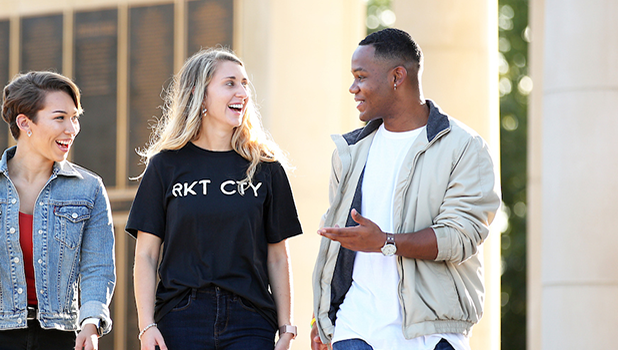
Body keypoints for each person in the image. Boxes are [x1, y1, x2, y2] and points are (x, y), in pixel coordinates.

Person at [309, 28, 501, 350]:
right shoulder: (350, 152)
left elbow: (460, 237)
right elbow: (336, 246)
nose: (353, 88)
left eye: (361, 77)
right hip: (355, 328)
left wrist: (385, 242)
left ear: (397, 77)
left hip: (432, 334)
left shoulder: (464, 148)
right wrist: (322, 316)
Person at [127, 47, 303, 350]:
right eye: (230, 83)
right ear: (200, 94)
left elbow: (277, 255)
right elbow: (146, 255)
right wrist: (147, 326)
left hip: (251, 320)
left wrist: (286, 328)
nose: (242, 92)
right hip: (181, 319)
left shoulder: (265, 167)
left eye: (245, 83)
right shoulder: (165, 165)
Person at [0, 71, 116, 350]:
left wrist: (90, 321)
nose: (72, 128)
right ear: (25, 123)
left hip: (60, 335)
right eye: (60, 117)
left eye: (75, 118)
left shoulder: (89, 189)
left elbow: (98, 267)